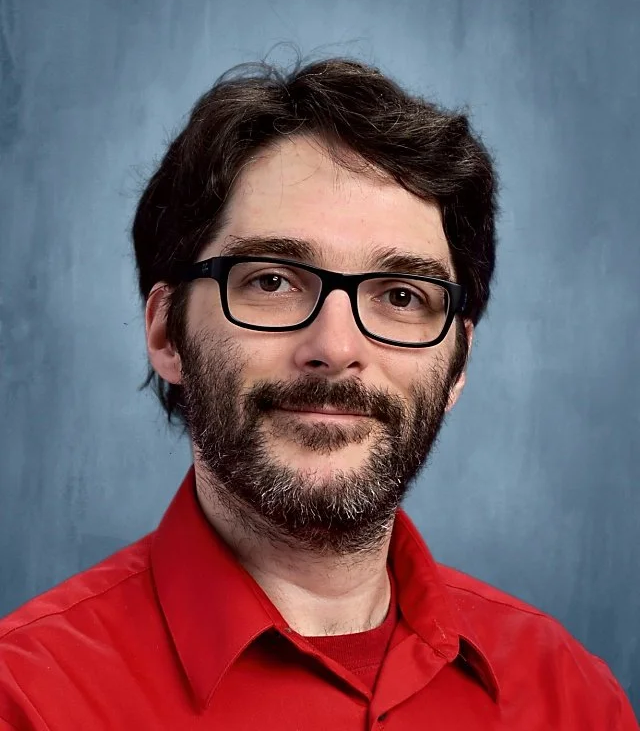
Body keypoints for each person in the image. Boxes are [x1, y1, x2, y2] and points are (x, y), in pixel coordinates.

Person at [0, 57, 636, 730]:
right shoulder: (26, 700)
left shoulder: (569, 696)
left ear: (457, 363)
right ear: (166, 334)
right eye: (272, 281)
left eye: (401, 295)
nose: (335, 348)